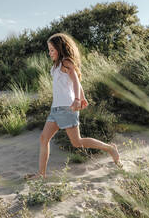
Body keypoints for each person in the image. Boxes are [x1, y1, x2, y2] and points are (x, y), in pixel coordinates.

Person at [24, 33, 121, 180]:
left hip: (67, 108)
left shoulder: (66, 62)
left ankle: (110, 148)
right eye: (48, 50)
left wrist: (78, 99)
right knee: (44, 139)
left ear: (60, 48)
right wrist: (82, 97)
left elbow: (76, 81)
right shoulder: (55, 66)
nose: (49, 53)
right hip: (55, 109)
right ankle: (41, 174)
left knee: (77, 142)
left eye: (52, 50)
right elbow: (74, 84)